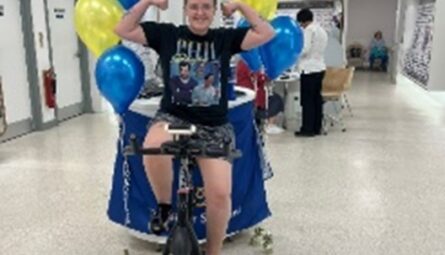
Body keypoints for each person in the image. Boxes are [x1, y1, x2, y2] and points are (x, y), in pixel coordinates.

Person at [114, 0, 275, 254]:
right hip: (173, 119)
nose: (200, 13)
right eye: (194, 7)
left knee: (220, 195)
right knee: (153, 147)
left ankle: (213, 250)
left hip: (214, 126)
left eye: (206, 7)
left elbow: (267, 33)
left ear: (213, 11)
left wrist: (241, 6)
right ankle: (165, 206)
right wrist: (148, 1)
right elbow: (123, 29)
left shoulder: (225, 38)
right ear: (186, 9)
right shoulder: (168, 35)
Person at [295, 8, 328, 137]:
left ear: (303, 21)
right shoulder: (321, 30)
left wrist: (295, 52)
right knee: (316, 100)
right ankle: (316, 127)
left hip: (309, 69)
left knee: (307, 101)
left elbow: (305, 49)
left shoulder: (308, 30)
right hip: (320, 68)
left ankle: (307, 129)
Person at [236, 60, 284, 134]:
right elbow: (258, 78)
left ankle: (268, 124)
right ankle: (269, 124)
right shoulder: (248, 63)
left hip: (250, 93)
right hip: (252, 94)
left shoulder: (243, 63)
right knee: (276, 100)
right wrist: (268, 77)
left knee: (275, 99)